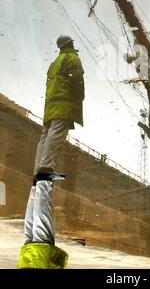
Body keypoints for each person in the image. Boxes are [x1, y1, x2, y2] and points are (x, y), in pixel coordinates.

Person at [17, 35, 85, 269]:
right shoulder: (71, 59)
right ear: (70, 45)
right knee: (53, 139)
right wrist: (80, 97)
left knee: (47, 139)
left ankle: (41, 172)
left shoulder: (55, 62)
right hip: (63, 103)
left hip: (51, 105)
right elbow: (78, 83)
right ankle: (42, 174)